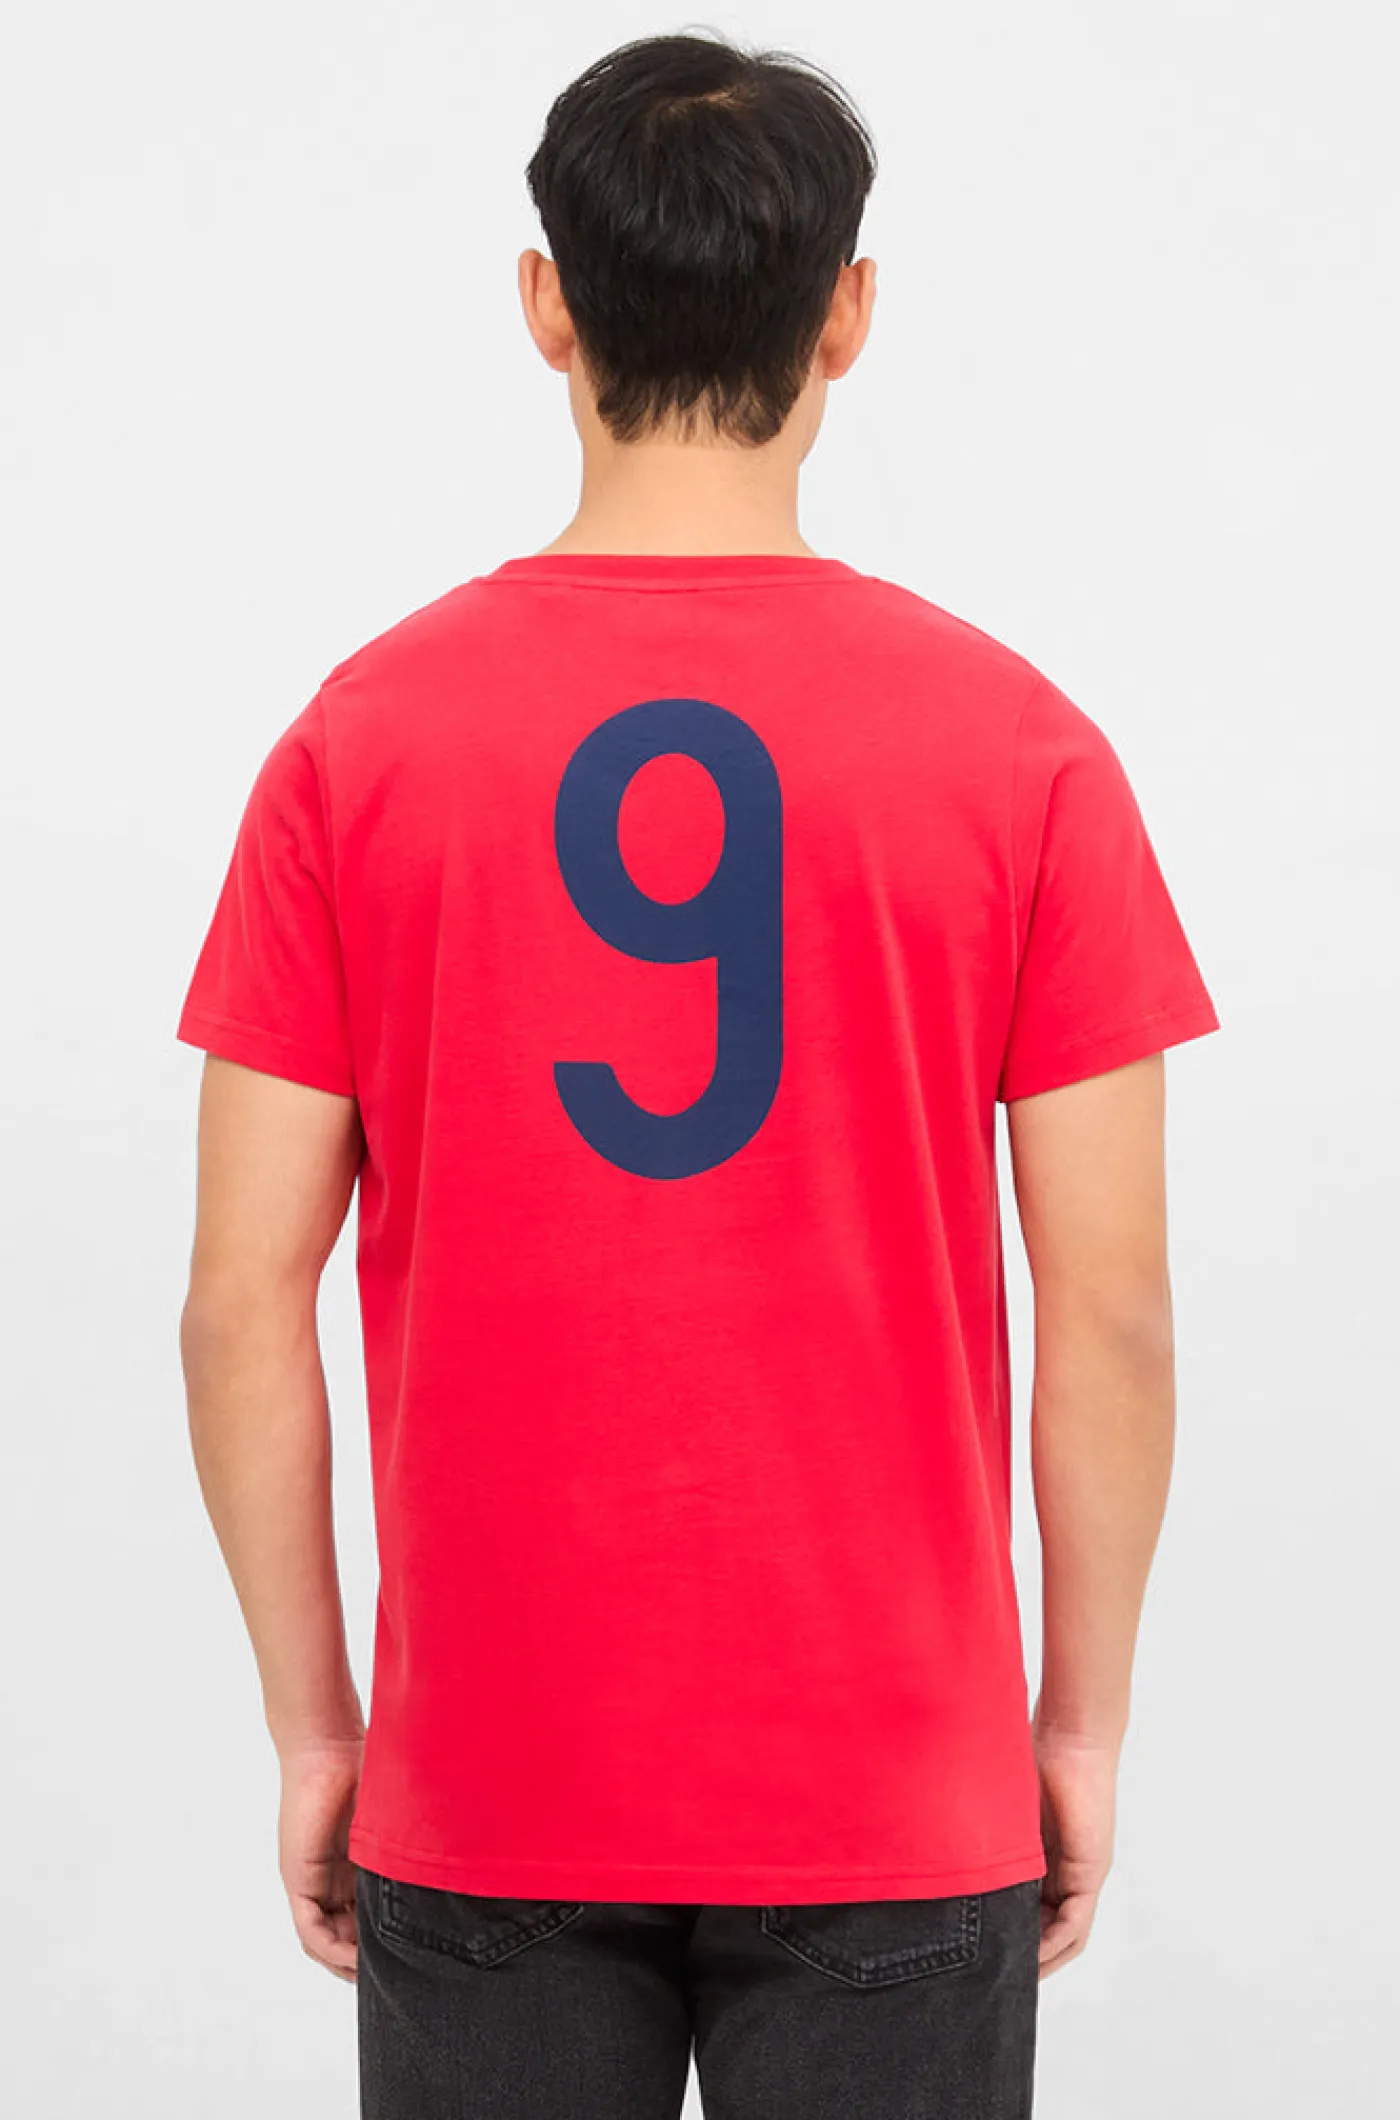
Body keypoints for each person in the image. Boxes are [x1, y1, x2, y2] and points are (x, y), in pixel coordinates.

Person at [176, 31, 1219, 2120]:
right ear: (847, 312)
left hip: (489, 1781)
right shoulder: (1021, 751)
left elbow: (237, 1299)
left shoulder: (358, 744)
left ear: (546, 303)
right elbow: (1105, 1302)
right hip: (895, 1783)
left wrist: (319, 1727)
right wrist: (1076, 1728)